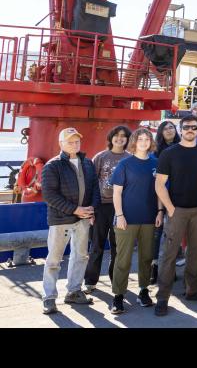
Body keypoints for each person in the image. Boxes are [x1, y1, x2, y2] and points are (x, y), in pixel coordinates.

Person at [154, 114, 197, 316]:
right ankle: (162, 297)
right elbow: (159, 184)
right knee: (169, 255)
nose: (190, 130)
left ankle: (193, 290)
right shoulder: (169, 154)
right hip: (177, 211)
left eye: (194, 127)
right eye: (186, 127)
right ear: (181, 130)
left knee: (195, 253)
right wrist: (170, 209)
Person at [40, 127, 100, 314]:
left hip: (83, 218)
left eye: (77, 141)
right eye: (70, 141)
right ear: (61, 144)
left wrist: (91, 209)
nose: (74, 144)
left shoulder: (88, 163)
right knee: (54, 260)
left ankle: (74, 291)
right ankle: (49, 297)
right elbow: (49, 195)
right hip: (61, 219)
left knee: (81, 256)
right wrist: (75, 209)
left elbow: (94, 188)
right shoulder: (53, 165)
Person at [110, 128, 162, 314]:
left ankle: (143, 291)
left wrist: (160, 211)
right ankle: (118, 296)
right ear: (134, 141)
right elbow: (116, 192)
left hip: (149, 218)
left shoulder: (156, 163)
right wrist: (120, 215)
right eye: (140, 139)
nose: (143, 142)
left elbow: (159, 191)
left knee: (146, 258)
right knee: (122, 259)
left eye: (147, 139)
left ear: (151, 142)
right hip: (127, 219)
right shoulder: (125, 164)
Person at [84, 125, 131, 293]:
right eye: (116, 135)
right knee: (97, 245)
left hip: (121, 208)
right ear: (111, 137)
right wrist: (91, 210)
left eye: (123, 136)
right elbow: (91, 183)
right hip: (101, 206)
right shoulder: (101, 157)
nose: (120, 138)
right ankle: (90, 281)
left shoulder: (130, 158)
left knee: (117, 247)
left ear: (127, 139)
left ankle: (116, 280)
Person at [151, 119, 180, 284]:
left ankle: (171, 269)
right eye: (166, 128)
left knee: (173, 236)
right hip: (159, 197)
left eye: (172, 127)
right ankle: (155, 268)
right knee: (157, 234)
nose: (169, 130)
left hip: (177, 198)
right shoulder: (155, 152)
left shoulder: (181, 148)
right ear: (161, 132)